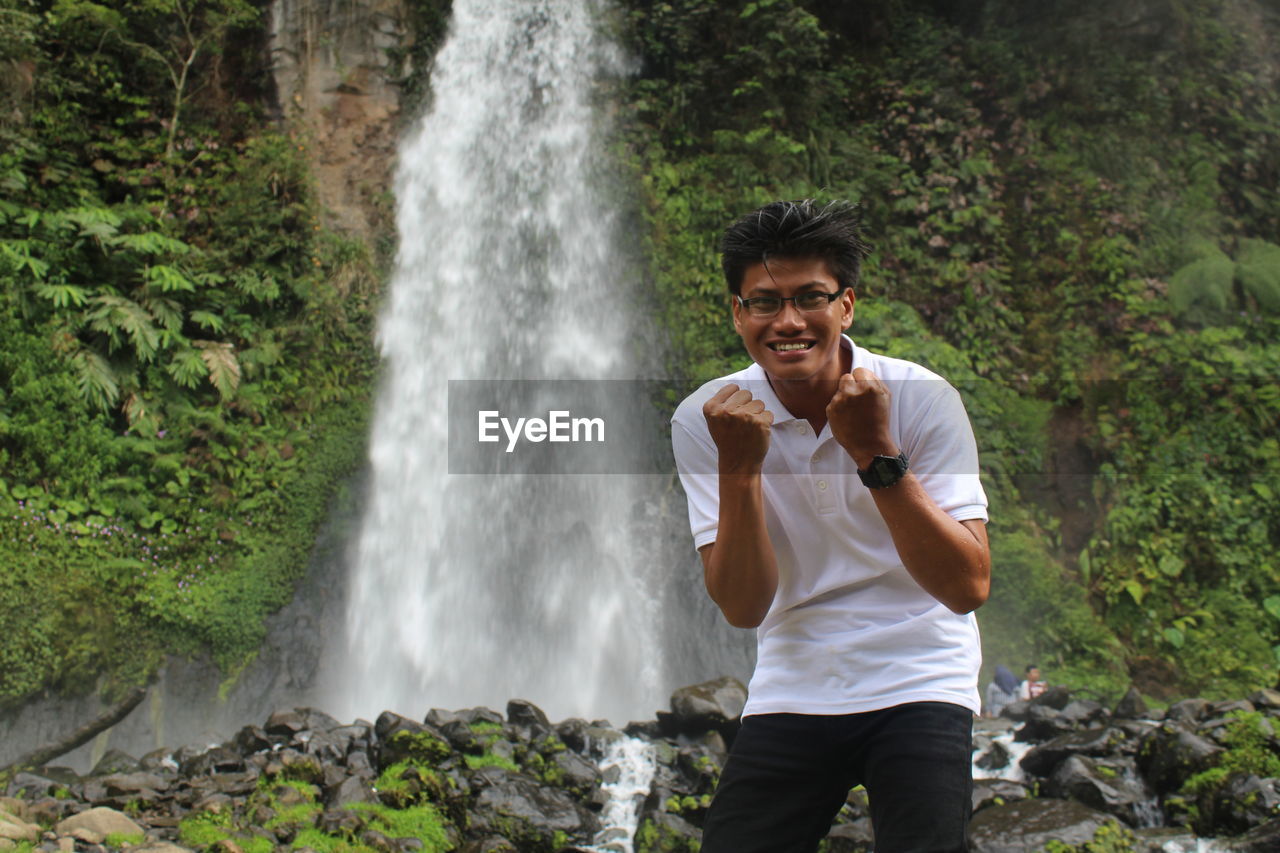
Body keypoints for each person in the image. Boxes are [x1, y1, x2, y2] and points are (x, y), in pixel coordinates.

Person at [671, 199, 991, 853]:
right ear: (738, 313)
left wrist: (875, 452)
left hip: (920, 670)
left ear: (846, 305)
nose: (787, 321)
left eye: (809, 297)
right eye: (764, 301)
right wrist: (740, 470)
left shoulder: (921, 399)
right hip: (796, 675)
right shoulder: (709, 418)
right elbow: (741, 604)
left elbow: (967, 586)